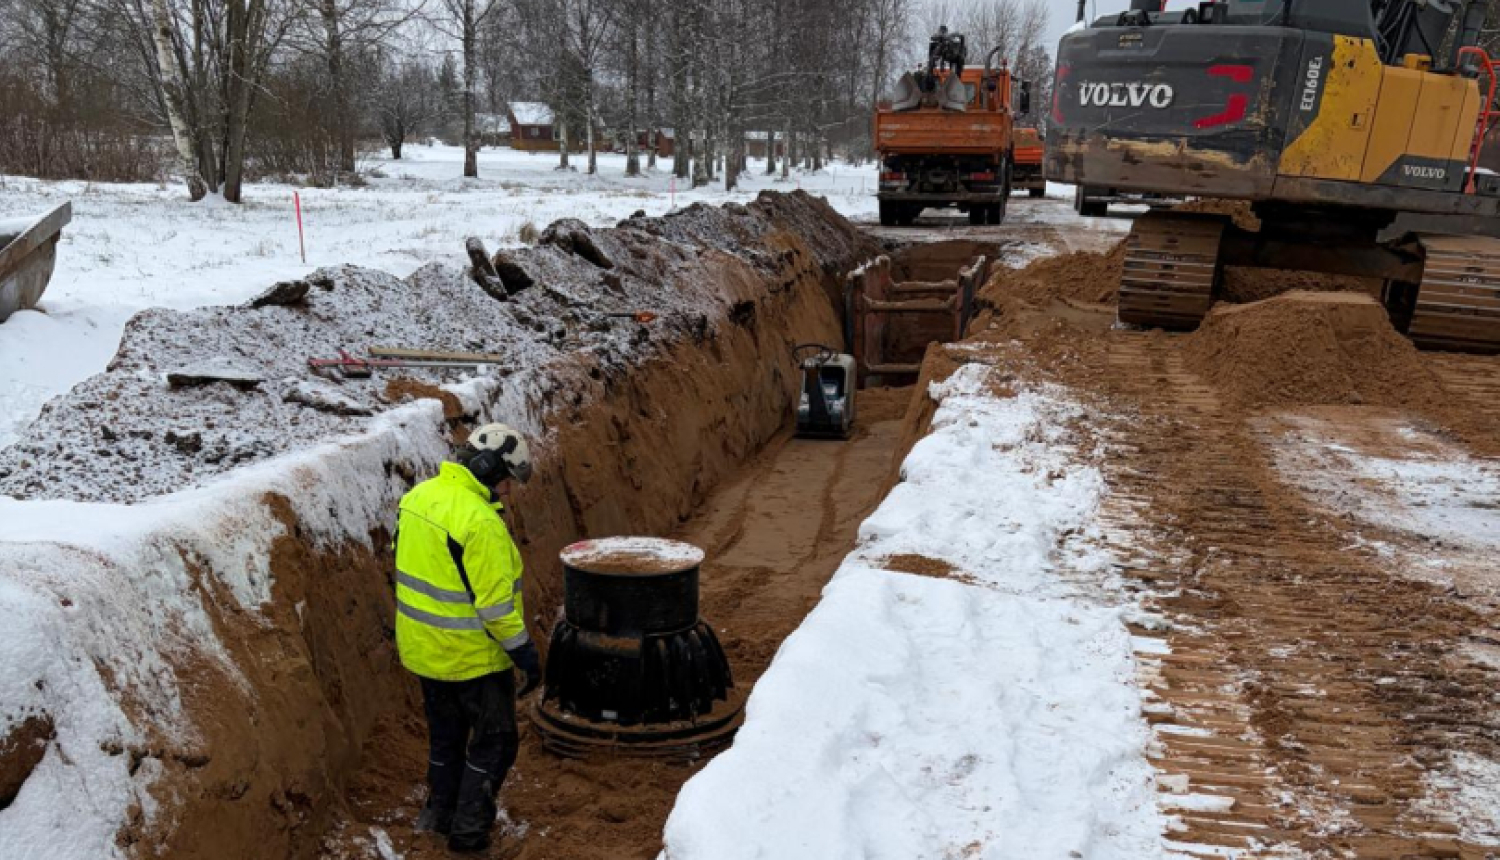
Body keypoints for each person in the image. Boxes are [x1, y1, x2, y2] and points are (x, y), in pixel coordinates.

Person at [392, 422, 543, 853]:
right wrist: (526, 655)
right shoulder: (480, 522)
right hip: (473, 658)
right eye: (505, 480)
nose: (508, 491)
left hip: (424, 653)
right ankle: (468, 834)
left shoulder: (417, 498)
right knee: (496, 743)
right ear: (485, 466)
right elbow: (495, 609)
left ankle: (438, 814)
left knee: (447, 737)